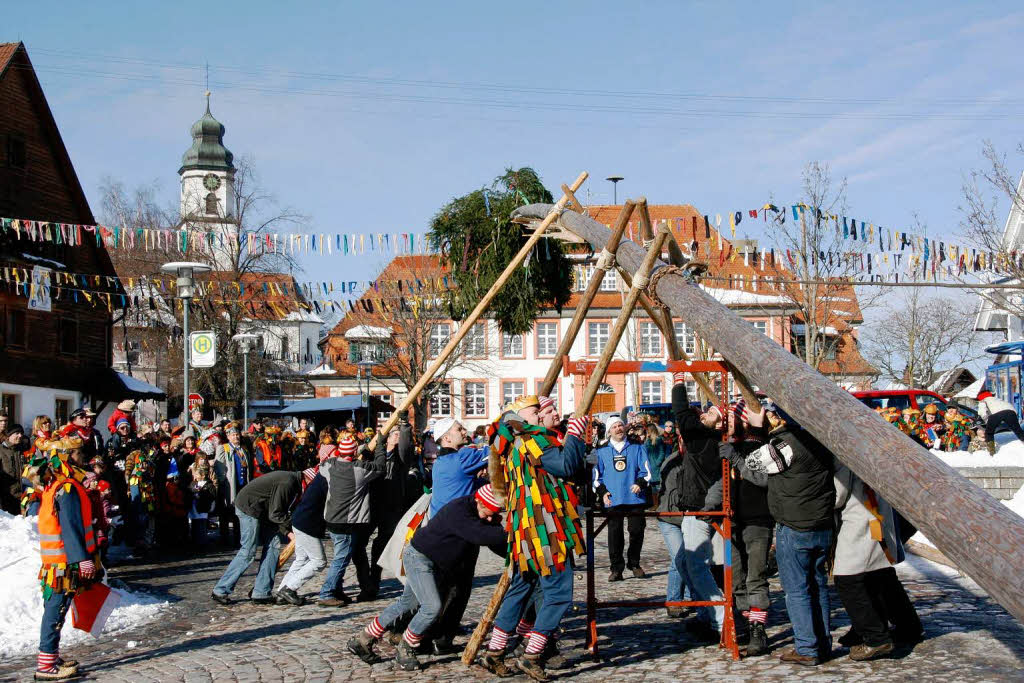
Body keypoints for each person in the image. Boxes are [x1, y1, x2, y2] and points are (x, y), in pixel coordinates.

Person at [481, 396, 588, 680]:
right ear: (519, 418)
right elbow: (565, 467)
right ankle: (532, 654)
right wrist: (576, 435)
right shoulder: (529, 439)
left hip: (527, 531)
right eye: (535, 411)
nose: (541, 415)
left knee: (521, 590)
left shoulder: (516, 440)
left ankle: (495, 651)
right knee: (558, 593)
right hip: (546, 528)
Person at [349, 485, 508, 671]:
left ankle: (363, 639)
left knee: (407, 604)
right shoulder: (459, 510)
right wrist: (511, 531)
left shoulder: (480, 511)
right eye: (488, 514)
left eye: (492, 516)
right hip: (419, 558)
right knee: (432, 607)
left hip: (435, 563)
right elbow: (482, 535)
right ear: (479, 501)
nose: (489, 519)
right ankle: (406, 647)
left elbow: (493, 538)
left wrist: (512, 554)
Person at [745, 404, 835, 666]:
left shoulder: (786, 444)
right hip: (821, 524)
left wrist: (757, 429)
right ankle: (822, 642)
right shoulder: (822, 440)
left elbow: (753, 462)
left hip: (795, 526)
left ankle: (807, 647)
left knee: (796, 591)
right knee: (818, 586)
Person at [832, 458, 922, 661]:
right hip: (878, 514)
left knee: (848, 579)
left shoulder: (843, 455)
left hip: (860, 520)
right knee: (881, 575)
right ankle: (908, 627)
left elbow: (837, 495)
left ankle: (875, 637)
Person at [34, 438, 103, 681]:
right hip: (64, 563)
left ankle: (51, 657)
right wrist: (82, 559)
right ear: (67, 457)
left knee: (55, 609)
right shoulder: (67, 488)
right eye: (77, 453)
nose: (81, 457)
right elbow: (71, 527)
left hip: (58, 561)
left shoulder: (56, 484)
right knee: (56, 610)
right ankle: (45, 665)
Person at [709, 401, 773, 656]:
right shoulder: (730, 447)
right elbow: (722, 482)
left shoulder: (762, 446)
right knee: (735, 579)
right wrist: (709, 506)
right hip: (732, 520)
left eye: (734, 419)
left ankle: (758, 629)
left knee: (755, 577)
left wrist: (735, 458)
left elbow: (760, 478)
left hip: (758, 519)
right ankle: (744, 623)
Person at [670, 373, 726, 642]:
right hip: (694, 506)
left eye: (712, 412)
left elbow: (682, 414)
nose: (705, 413)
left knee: (695, 565)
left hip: (699, 508)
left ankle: (719, 618)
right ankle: (707, 613)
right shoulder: (708, 438)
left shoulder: (705, 439)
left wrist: (678, 382)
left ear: (720, 423)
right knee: (683, 561)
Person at [211, 469, 303, 604]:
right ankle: (220, 590)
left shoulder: (293, 482)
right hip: (249, 508)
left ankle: (261, 592)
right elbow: (276, 513)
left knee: (273, 545)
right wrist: (289, 533)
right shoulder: (288, 482)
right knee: (248, 550)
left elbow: (275, 511)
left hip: (263, 511)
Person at [318, 435, 387, 604]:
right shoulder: (359, 470)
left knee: (351, 553)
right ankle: (327, 593)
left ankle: (340, 590)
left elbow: (324, 463)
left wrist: (358, 450)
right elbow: (380, 467)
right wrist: (379, 446)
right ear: (354, 452)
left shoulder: (329, 466)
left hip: (332, 520)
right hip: (347, 523)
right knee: (341, 559)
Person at [593, 415, 652, 581]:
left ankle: (634, 563)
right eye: (614, 427)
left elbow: (646, 471)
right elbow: (597, 476)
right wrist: (602, 492)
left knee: (636, 530)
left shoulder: (637, 447)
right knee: (615, 534)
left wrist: (640, 483)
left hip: (635, 497)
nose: (618, 429)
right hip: (613, 499)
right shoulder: (602, 451)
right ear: (609, 431)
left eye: (620, 425)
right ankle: (616, 568)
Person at [367, 420, 417, 600]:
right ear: (387, 437)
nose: (398, 436)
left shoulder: (401, 457)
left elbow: (407, 446)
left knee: (383, 542)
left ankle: (374, 582)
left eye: (399, 433)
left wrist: (405, 427)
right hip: (372, 504)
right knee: (358, 546)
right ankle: (366, 582)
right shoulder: (375, 454)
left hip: (392, 506)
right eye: (395, 433)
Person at [275, 466, 329, 606]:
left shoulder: (320, 478)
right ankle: (289, 589)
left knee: (301, 559)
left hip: (299, 521)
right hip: (307, 525)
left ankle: (282, 592)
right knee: (318, 561)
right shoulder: (327, 479)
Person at [214, 424, 253, 546]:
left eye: (237, 434)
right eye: (233, 435)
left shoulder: (244, 449)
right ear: (228, 436)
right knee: (226, 512)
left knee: (240, 513)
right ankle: (224, 539)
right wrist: (223, 483)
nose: (236, 437)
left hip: (242, 485)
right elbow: (220, 468)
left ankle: (238, 538)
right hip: (229, 486)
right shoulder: (224, 448)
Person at [977, 388, 1024, 454]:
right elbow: (1009, 406)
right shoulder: (997, 399)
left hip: (996, 413)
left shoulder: (983, 400)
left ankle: (991, 451)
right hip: (1011, 412)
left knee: (989, 432)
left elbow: (982, 412)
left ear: (980, 397)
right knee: (1018, 430)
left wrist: (987, 421)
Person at [1, 423, 27, 514]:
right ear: (9, 435)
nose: (20, 436)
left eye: (21, 433)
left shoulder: (23, 450)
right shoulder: (1, 451)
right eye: (17, 433)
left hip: (21, 497)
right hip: (5, 498)